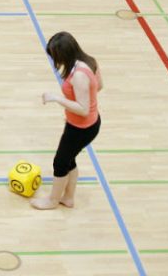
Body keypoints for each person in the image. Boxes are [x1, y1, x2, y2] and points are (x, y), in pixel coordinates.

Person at [31, 32, 102, 210]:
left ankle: (53, 201)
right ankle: (68, 198)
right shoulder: (89, 62)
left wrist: (57, 98)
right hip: (86, 124)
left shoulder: (78, 75)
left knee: (60, 162)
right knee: (69, 159)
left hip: (81, 128)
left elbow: (83, 109)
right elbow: (99, 86)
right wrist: (76, 106)